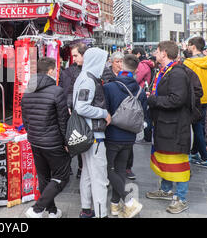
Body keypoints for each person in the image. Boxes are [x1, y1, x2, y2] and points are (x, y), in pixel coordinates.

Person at [146, 41, 192, 214]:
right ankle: (165, 190)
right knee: (165, 158)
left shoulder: (177, 73)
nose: (155, 54)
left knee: (178, 162)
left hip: (175, 126)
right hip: (165, 124)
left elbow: (177, 99)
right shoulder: (166, 71)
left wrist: (153, 100)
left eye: (157, 51)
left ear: (164, 53)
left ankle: (181, 198)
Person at [22, 57, 71, 218]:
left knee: (44, 178)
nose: (56, 73)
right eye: (55, 70)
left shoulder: (27, 90)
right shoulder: (56, 91)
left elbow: (26, 119)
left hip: (35, 140)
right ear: (50, 71)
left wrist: (32, 134)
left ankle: (52, 211)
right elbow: (63, 120)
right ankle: (37, 209)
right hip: (53, 142)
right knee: (61, 177)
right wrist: (66, 142)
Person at [103, 55, 147, 218]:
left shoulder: (109, 87)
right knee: (120, 170)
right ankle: (115, 206)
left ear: (121, 67)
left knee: (107, 169)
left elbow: (104, 112)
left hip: (112, 135)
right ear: (135, 70)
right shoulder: (140, 90)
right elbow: (142, 114)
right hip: (129, 137)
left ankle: (128, 201)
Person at [73, 47, 111, 218]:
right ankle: (101, 213)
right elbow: (81, 107)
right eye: (103, 61)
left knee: (88, 174)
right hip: (94, 135)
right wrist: (103, 113)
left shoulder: (84, 77)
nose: (105, 65)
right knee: (99, 178)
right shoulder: (89, 80)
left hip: (86, 135)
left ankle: (86, 209)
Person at [59, 42, 88, 179]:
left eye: (76, 56)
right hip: (72, 111)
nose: (74, 59)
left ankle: (81, 167)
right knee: (72, 137)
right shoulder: (70, 71)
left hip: (85, 112)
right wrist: (69, 105)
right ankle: (70, 166)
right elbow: (67, 91)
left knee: (82, 138)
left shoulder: (93, 70)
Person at [183, 37, 207, 167]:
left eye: (188, 45)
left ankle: (204, 157)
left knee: (197, 127)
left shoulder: (188, 63)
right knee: (201, 126)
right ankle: (194, 152)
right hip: (206, 98)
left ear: (193, 46)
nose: (187, 47)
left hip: (195, 98)